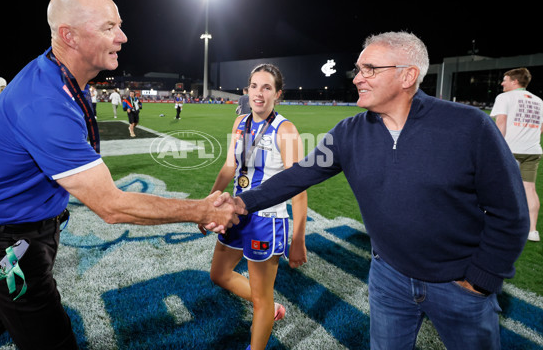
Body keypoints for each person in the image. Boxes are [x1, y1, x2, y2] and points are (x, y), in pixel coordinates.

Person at [0, 0, 241, 350]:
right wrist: (199, 209)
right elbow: (111, 206)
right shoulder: (45, 101)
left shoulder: (62, 77)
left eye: (118, 25)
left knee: (1, 314)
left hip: (30, 229)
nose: (122, 36)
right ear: (68, 36)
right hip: (8, 241)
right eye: (108, 27)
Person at [217, 32, 530, 350]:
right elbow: (296, 176)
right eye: (358, 69)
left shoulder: (469, 126)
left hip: (458, 284)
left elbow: (510, 211)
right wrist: (241, 202)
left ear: (407, 75)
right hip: (388, 278)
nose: (357, 78)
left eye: (370, 69)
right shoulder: (348, 133)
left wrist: (481, 279)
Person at [199, 64, 307, 350]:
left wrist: (298, 239)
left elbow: (298, 187)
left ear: (277, 94)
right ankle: (270, 307)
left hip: (267, 220)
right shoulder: (240, 123)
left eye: (267, 87)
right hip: (236, 213)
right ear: (247, 91)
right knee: (219, 274)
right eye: (254, 86)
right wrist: (207, 204)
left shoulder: (286, 130)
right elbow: (229, 167)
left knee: (261, 297)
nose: (259, 93)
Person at [491, 68, 542, 242]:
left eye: (505, 80)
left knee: (499, 187)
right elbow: (541, 128)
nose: (502, 83)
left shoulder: (504, 98)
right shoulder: (538, 100)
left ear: (514, 81)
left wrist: (496, 146)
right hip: (533, 150)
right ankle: (532, 231)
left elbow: (501, 122)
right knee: (529, 189)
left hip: (510, 149)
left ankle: (498, 225)